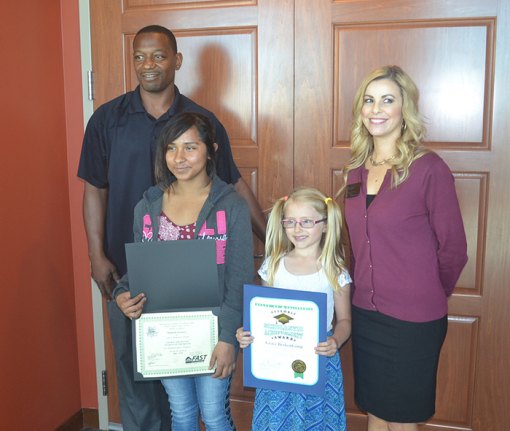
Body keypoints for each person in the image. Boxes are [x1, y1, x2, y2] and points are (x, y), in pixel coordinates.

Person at [78, 25, 265, 431]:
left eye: (159, 56)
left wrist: (271, 237)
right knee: (136, 377)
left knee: (201, 404)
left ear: (177, 61)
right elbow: (94, 188)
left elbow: (233, 183)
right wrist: (96, 255)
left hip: (204, 297)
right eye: (140, 57)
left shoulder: (203, 122)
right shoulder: (105, 120)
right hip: (129, 278)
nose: (149, 65)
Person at [341, 65, 468, 431]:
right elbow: (356, 244)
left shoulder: (429, 169)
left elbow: (454, 249)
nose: (376, 109)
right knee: (375, 410)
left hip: (414, 320)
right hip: (366, 312)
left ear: (404, 109)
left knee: (403, 419)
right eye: (369, 100)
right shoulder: (355, 172)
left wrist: (426, 291)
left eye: (387, 100)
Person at [114, 112, 254, 430]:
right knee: (181, 411)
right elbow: (138, 271)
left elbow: (240, 276)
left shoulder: (231, 206)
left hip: (214, 334)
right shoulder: (147, 207)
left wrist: (228, 339)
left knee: (214, 411)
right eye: (171, 148)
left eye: (190, 147)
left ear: (211, 150)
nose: (179, 158)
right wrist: (122, 294)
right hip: (165, 335)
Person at [236, 187, 352, 431]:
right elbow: (263, 314)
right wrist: (247, 333)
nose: (297, 229)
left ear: (325, 224)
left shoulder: (335, 270)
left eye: (306, 222)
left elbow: (344, 322)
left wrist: (336, 341)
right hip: (277, 362)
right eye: (290, 222)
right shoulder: (274, 266)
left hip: (318, 361)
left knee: (315, 422)